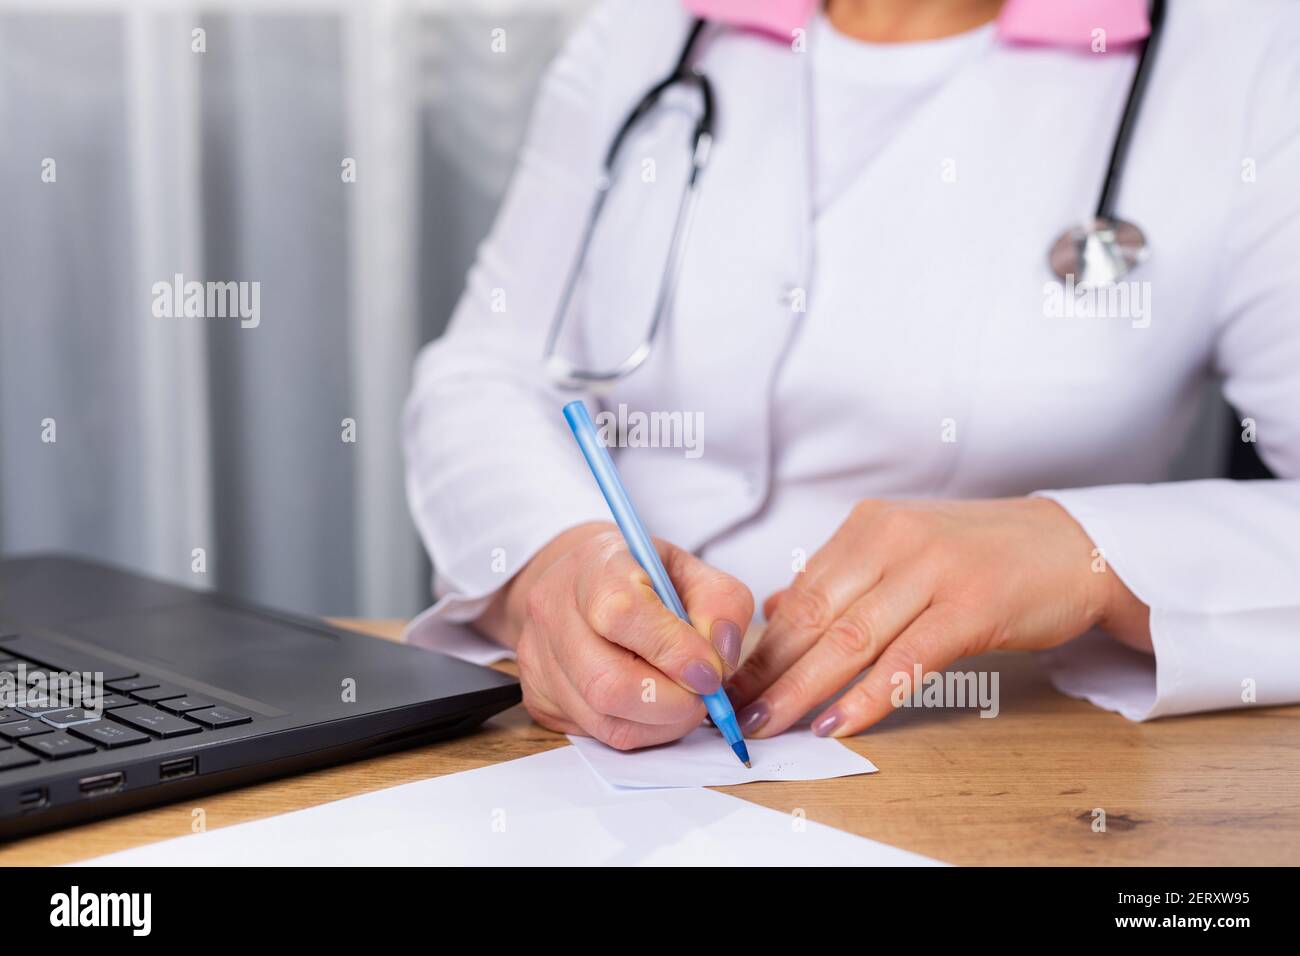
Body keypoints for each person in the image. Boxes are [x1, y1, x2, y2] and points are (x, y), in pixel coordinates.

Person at [403, 0, 1300, 749]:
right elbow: (485, 374)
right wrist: (553, 561)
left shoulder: (1250, 55)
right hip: (598, 752)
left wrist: (1089, 550)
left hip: (985, 744)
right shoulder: (648, 26)